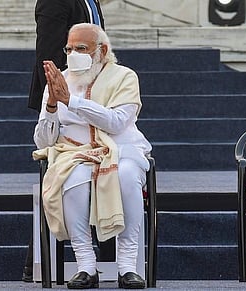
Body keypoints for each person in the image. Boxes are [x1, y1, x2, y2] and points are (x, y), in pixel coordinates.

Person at [32, 23, 150, 289]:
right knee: (72, 177)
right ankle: (85, 266)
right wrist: (52, 106)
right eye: (69, 48)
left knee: (127, 175)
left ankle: (128, 267)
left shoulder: (124, 77)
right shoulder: (59, 82)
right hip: (74, 152)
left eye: (81, 48)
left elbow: (117, 122)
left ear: (102, 50)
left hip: (121, 149)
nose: (73, 53)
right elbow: (43, 141)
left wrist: (71, 102)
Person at [23, 0, 104, 282]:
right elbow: (48, 51)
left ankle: (32, 261)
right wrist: (56, 96)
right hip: (62, 95)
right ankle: (46, 260)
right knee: (60, 171)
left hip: (90, 92)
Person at [28, 0, 104, 112]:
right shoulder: (54, 2)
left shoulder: (92, 2)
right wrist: (57, 99)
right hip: (69, 95)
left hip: (94, 88)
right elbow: (49, 53)